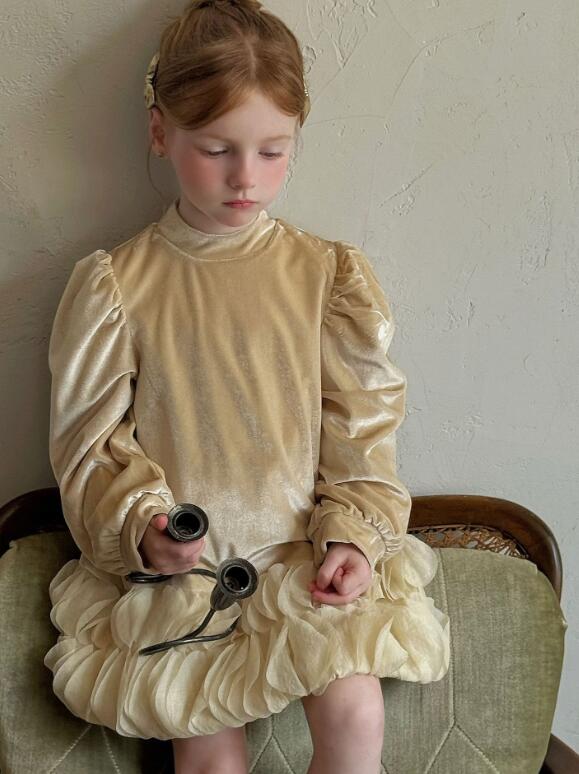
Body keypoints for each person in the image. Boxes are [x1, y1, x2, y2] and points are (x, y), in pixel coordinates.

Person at [43, 1, 450, 772]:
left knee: (355, 713)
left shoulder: (326, 276)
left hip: (304, 560)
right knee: (207, 756)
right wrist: (142, 527)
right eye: (216, 149)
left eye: (272, 150)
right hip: (187, 578)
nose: (244, 177)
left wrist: (352, 536)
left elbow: (360, 427)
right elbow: (92, 446)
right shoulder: (116, 285)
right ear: (159, 131)